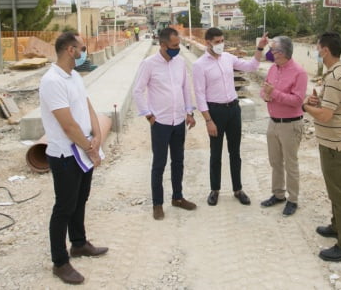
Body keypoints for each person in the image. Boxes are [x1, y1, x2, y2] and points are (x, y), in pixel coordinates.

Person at [39, 32, 108, 285]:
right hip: (66, 154)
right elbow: (67, 125)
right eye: (82, 48)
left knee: (80, 199)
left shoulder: (74, 76)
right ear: (70, 50)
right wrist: (90, 148)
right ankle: (60, 262)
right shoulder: (52, 81)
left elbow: (87, 106)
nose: (83, 52)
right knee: (64, 207)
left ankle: (79, 243)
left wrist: (97, 134)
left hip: (83, 150)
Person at [192, 27, 268, 206]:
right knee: (216, 153)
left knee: (235, 152)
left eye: (222, 41)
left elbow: (251, 66)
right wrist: (208, 120)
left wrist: (259, 48)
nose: (221, 44)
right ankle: (215, 189)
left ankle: (238, 189)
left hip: (233, 109)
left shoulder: (228, 58)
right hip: (215, 112)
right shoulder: (199, 65)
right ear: (208, 42)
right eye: (217, 42)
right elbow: (200, 95)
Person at [132, 27, 198, 220]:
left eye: (178, 45)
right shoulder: (149, 64)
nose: (178, 49)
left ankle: (177, 197)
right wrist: (148, 115)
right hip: (160, 123)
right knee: (159, 164)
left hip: (179, 121)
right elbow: (138, 91)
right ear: (162, 45)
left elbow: (185, 88)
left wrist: (189, 112)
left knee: (178, 161)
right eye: (174, 46)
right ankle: (158, 204)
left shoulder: (180, 62)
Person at [302, 31, 341, 262]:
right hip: (333, 141)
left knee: (340, 194)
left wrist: (306, 107)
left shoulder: (335, 77)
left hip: (335, 145)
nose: (316, 52)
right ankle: (337, 226)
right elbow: (329, 106)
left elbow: (325, 115)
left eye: (317, 49)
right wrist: (318, 101)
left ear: (325, 50)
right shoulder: (336, 72)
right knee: (335, 190)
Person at [260, 36, 308, 216]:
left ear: (283, 52)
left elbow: (297, 101)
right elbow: (264, 89)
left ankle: (292, 199)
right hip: (273, 122)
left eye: (274, 50)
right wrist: (265, 95)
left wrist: (274, 93)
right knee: (275, 162)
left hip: (290, 124)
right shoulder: (273, 68)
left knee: (291, 164)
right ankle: (278, 194)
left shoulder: (299, 73)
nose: (271, 53)